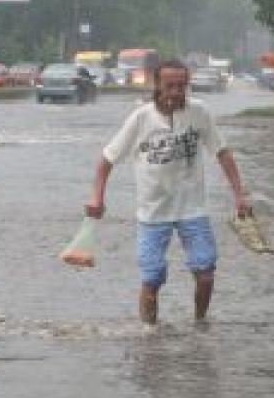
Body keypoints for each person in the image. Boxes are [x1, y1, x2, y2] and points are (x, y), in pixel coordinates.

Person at [85, 59, 251, 325]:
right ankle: (149, 336)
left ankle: (200, 325)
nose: (176, 92)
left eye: (182, 86)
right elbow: (107, 159)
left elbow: (222, 152)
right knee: (152, 280)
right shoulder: (141, 117)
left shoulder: (199, 112)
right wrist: (97, 197)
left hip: (192, 209)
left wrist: (240, 195)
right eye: (170, 86)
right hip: (153, 212)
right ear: (157, 86)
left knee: (205, 273)